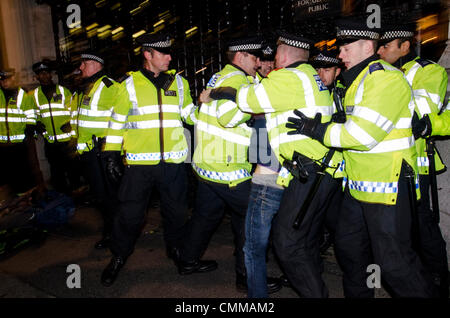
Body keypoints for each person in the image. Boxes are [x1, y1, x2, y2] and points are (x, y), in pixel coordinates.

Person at [286, 18, 438, 298]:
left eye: (345, 46)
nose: (340, 53)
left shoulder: (385, 79)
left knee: (395, 264)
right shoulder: (359, 81)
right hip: (358, 187)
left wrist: (318, 129)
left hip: (387, 186)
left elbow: (361, 136)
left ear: (367, 45)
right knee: (350, 251)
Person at [202, 30, 343, 298]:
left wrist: (215, 93)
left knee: (272, 243)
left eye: (274, 52)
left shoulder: (285, 77)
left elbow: (242, 105)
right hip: (304, 172)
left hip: (282, 173)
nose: (267, 59)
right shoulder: (311, 77)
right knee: (299, 240)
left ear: (285, 52)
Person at [177, 35, 281, 294]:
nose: (259, 63)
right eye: (256, 57)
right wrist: (259, 108)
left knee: (205, 216)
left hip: (207, 165)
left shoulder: (219, 77)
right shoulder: (237, 81)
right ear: (241, 56)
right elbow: (227, 116)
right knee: (252, 221)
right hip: (229, 170)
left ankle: (187, 260)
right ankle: (246, 277)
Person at [100, 33, 197, 287]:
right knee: (130, 216)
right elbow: (116, 124)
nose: (169, 57)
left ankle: (175, 251)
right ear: (148, 55)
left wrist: (210, 108)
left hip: (173, 164)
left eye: (169, 52)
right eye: (163, 53)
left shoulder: (179, 82)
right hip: (139, 166)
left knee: (176, 213)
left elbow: (189, 115)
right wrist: (110, 155)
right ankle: (119, 257)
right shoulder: (128, 86)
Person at [378, 23, 449, 298]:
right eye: (379, 46)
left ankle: (437, 280)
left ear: (405, 46)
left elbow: (422, 112)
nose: (381, 51)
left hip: (416, 164)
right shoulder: (383, 73)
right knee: (400, 229)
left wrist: (430, 125)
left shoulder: (430, 71)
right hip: (388, 163)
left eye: (387, 46)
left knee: (422, 225)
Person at [69, 51, 122, 251]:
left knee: (110, 196)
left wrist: (111, 149)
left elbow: (122, 119)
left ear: (96, 65)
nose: (81, 67)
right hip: (91, 153)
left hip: (105, 151)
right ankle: (112, 231)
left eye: (85, 63)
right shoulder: (87, 87)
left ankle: (117, 235)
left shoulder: (110, 87)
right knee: (101, 195)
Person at [30, 60, 81, 194]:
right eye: (40, 74)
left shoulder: (63, 91)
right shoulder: (34, 96)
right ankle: (62, 195)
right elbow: (33, 114)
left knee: (72, 169)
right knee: (56, 170)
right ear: (36, 77)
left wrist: (71, 124)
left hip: (67, 140)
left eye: (46, 73)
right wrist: (36, 124)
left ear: (51, 75)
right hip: (50, 141)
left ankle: (77, 193)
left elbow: (75, 111)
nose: (44, 76)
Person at [0, 69, 39, 194]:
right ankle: (13, 200)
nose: (4, 82)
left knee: (22, 173)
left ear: (13, 79)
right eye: (2, 80)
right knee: (8, 175)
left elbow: (31, 114)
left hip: (19, 143)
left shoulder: (22, 95)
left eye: (7, 79)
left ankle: (26, 199)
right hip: (2, 144)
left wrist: (29, 128)